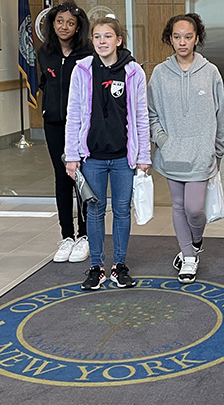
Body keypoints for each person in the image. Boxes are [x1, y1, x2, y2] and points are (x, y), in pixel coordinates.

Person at [65, 16, 151, 291]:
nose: (102, 41)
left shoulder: (134, 72)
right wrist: (71, 155)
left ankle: (120, 265)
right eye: (97, 37)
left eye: (108, 36)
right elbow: (74, 115)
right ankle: (96, 267)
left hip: (124, 157)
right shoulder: (82, 70)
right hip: (92, 157)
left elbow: (141, 117)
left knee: (123, 211)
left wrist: (144, 156)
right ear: (92, 41)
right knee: (95, 210)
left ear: (119, 40)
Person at [148, 13, 224, 284]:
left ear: (197, 39)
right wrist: (163, 140)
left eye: (188, 36)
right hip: (172, 154)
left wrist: (217, 149)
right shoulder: (160, 73)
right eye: (176, 36)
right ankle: (189, 258)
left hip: (201, 154)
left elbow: (221, 115)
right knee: (179, 206)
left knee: (195, 209)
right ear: (169, 39)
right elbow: (150, 113)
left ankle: (194, 242)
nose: (182, 42)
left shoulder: (211, 72)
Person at [37, 0, 92, 263]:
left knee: (81, 179)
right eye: (59, 21)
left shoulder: (87, 54)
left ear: (78, 26)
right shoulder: (44, 53)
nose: (64, 26)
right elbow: (44, 84)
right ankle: (67, 236)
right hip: (54, 124)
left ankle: (84, 236)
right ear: (52, 24)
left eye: (70, 22)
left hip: (82, 126)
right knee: (62, 178)